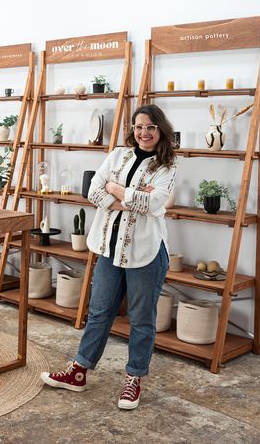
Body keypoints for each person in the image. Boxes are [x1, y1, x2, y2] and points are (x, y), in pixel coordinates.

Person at [40, 104, 177, 410]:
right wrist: (128, 199)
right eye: (139, 126)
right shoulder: (118, 154)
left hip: (146, 254)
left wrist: (116, 189)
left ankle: (134, 379)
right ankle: (79, 371)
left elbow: (154, 204)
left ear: (160, 130)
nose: (144, 133)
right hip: (108, 249)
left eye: (151, 128)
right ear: (133, 128)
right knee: (99, 312)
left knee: (142, 319)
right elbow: (93, 189)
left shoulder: (167, 165)